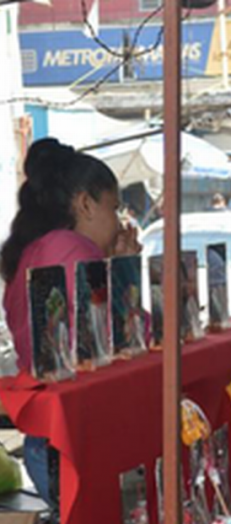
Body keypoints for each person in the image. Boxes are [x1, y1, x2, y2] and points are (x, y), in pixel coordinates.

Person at [1, 138, 140, 503]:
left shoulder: (41, 247)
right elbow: (124, 339)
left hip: (47, 432)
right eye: (115, 207)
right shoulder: (73, 249)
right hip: (71, 433)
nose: (119, 220)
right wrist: (127, 271)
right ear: (85, 203)